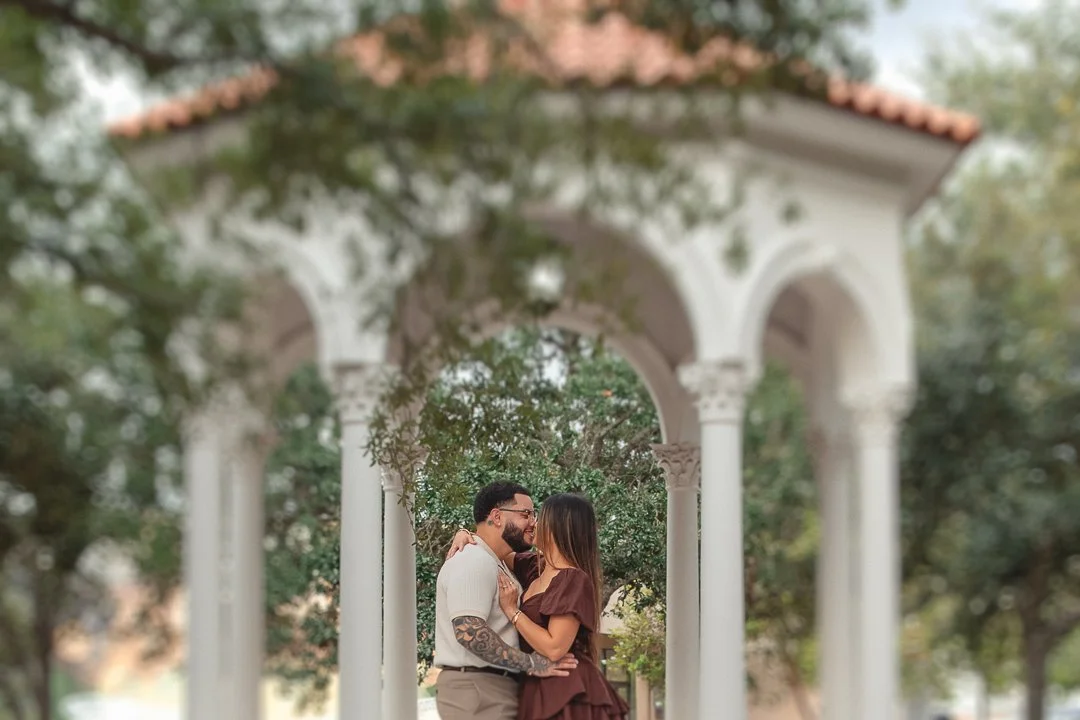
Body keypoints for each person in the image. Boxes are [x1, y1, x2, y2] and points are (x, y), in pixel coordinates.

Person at [449, 492, 629, 720]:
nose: (534, 523)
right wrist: (464, 533)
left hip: (567, 687)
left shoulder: (573, 578)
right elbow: (494, 548)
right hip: (536, 684)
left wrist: (513, 611)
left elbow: (555, 647)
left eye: (540, 518)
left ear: (559, 527)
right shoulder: (534, 567)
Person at [435, 481, 578, 720]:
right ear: (497, 516)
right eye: (526, 514)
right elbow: (469, 631)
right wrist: (532, 663)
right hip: (478, 691)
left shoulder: (496, 561)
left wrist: (466, 531)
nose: (533, 522)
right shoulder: (473, 560)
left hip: (491, 688)